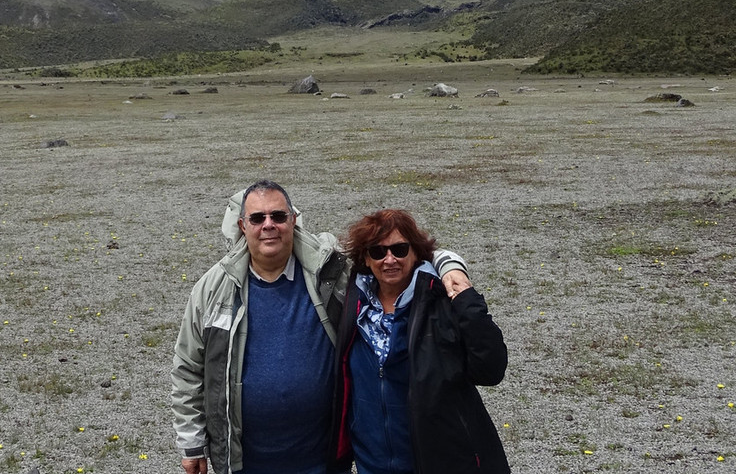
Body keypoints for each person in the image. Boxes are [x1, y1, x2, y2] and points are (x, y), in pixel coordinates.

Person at [170, 181, 472, 474]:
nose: (269, 225)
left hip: (321, 460)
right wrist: (191, 443)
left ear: (294, 220)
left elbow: (398, 254)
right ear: (242, 226)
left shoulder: (328, 269)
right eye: (257, 218)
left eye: (278, 216)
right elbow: (188, 368)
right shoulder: (212, 289)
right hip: (245, 464)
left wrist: (449, 263)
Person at [331, 209, 510, 474]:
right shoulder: (350, 303)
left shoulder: (439, 299)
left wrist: (467, 301)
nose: (389, 259)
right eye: (378, 252)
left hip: (437, 462)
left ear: (415, 253)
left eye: (400, 249)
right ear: (365, 259)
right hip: (373, 463)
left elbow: (490, 369)